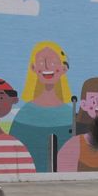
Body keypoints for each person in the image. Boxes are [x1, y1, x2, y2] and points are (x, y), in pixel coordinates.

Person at [9, 41, 74, 172]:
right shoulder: (24, 114)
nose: (46, 65)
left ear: (63, 69)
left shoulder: (70, 114)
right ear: (33, 68)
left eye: (53, 61)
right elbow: (14, 151)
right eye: (41, 62)